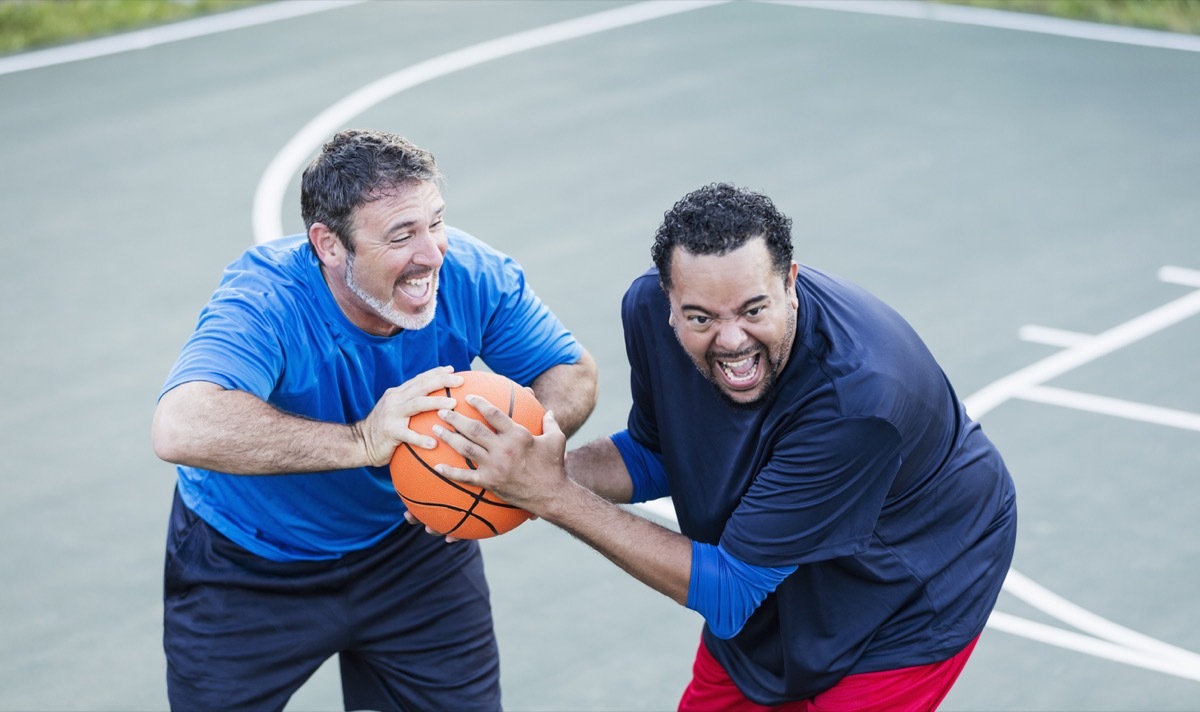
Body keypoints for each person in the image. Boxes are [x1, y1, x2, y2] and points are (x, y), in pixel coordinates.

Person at [433, 182, 1017, 711]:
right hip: (767, 558)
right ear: (668, 301)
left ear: (790, 282)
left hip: (906, 583)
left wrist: (553, 495)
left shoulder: (858, 399)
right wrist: (519, 476)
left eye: (753, 309)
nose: (732, 340)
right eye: (700, 318)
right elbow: (656, 453)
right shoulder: (648, 313)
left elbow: (731, 591)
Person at [150, 128, 597, 711]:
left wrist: (517, 450)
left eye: (436, 222)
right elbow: (181, 425)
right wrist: (363, 440)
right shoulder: (267, 300)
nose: (432, 253)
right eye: (401, 235)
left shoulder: (469, 273)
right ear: (329, 245)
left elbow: (570, 372)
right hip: (246, 567)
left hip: (414, 549)